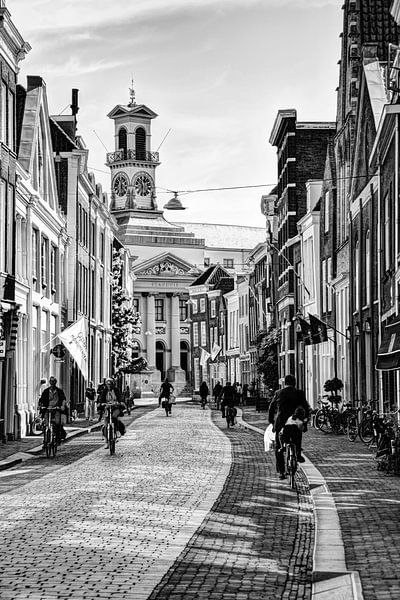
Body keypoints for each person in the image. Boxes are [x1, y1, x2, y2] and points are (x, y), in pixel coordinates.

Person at [268, 374, 310, 480]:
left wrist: (272, 421)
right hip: (295, 421)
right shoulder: (299, 393)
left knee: (279, 447)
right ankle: (298, 453)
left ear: (285, 383)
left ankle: (281, 472)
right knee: (297, 437)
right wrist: (306, 419)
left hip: (281, 423)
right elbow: (306, 407)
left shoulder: (278, 393)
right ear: (294, 383)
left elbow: (271, 408)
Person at [98, 378, 126, 447]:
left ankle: (116, 431)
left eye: (110, 384)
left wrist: (121, 402)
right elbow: (101, 398)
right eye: (107, 384)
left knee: (114, 417)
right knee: (106, 422)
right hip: (107, 407)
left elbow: (120, 397)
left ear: (112, 384)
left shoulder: (116, 390)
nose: (109, 385)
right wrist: (100, 403)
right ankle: (106, 440)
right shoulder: (104, 391)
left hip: (115, 407)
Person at [39, 376, 68, 443]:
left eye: (53, 382)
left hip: (56, 409)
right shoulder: (46, 391)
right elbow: (41, 400)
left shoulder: (59, 391)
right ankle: (45, 440)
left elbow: (63, 399)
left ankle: (57, 437)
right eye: (51, 382)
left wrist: (62, 406)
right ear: (49, 383)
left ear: (55, 382)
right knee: (46, 424)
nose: (52, 383)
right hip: (48, 409)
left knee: (57, 423)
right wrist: (40, 406)